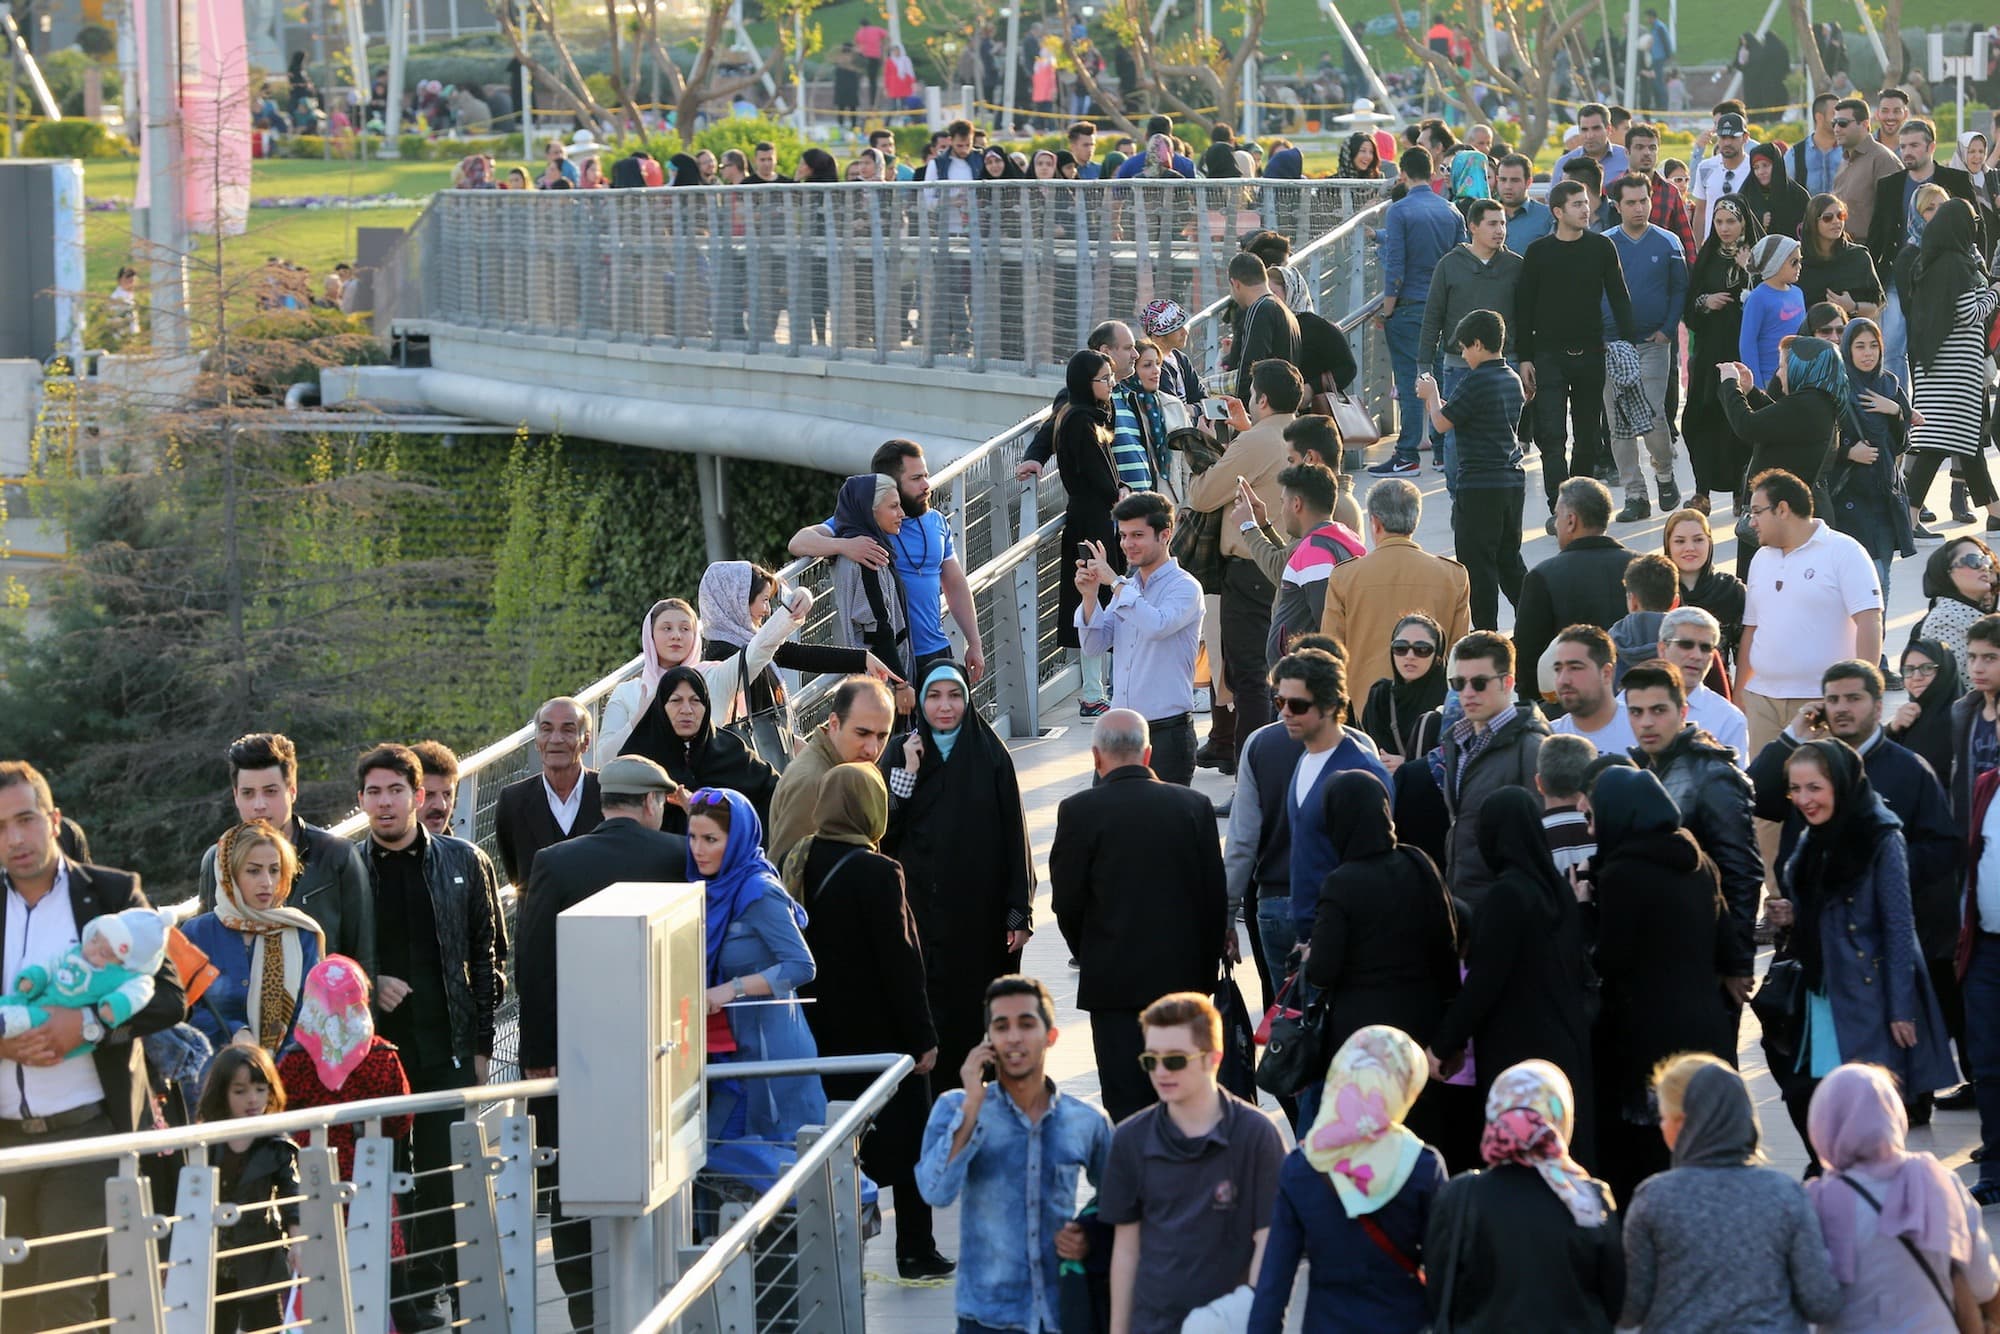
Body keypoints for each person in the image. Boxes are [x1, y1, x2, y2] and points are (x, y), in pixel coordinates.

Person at [0, 762, 187, 1331]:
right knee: (9, 1308)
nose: (15, 838)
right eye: (1, 825)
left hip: (87, 1136)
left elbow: (169, 997)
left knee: (64, 1305)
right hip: (4, 1141)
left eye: (26, 819)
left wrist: (87, 1025)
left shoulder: (109, 891)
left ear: (53, 820)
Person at [516, 754, 686, 1330]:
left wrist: (538, 1057)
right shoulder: (677, 857)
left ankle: (587, 1309)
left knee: (572, 1189)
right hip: (662, 1054)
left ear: (603, 801)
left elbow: (533, 969)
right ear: (652, 803)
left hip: (576, 1060)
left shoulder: (554, 862)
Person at [353, 743, 500, 1330]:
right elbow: (329, 960)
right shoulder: (348, 869)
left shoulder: (464, 860)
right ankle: (403, 1294)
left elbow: (487, 957)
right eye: (373, 792)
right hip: (376, 1052)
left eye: (395, 791)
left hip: (449, 1044)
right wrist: (369, 984)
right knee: (385, 1171)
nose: (384, 803)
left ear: (419, 797)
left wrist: (484, 1045)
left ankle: (449, 1286)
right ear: (359, 801)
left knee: (448, 1170)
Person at [789, 764, 949, 1279]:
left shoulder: (800, 858)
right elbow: (903, 962)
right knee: (908, 1142)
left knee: (835, 1143)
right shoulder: (878, 870)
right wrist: (923, 1037)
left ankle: (832, 1256)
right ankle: (915, 1250)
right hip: (880, 1034)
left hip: (820, 1032)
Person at [1767, 739, 1958, 1167]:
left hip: (1866, 997)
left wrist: (1901, 1009)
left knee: (1862, 1116)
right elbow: (1819, 902)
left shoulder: (1880, 836)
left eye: (1813, 787)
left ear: (1840, 783)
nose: (1803, 800)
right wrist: (1793, 913)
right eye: (1795, 790)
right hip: (1819, 993)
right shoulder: (1813, 835)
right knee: (1814, 1101)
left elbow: (1898, 925)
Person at [1051, 712, 1227, 1123]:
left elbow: (1067, 902)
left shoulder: (1078, 811)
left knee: (1126, 1102)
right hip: (1182, 982)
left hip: (1112, 983)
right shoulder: (1193, 806)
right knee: (1183, 1099)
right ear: (1148, 753)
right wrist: (1204, 975)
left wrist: (1090, 951)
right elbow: (1213, 898)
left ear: (1097, 757)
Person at [916, 976, 1112, 1334]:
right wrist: (972, 1105)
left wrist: (1090, 1233)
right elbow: (935, 1191)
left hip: (1061, 1312)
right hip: (986, 1318)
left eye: (1027, 1023)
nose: (1014, 1037)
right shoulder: (955, 1108)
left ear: (1050, 1036)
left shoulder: (1085, 1121)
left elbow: (1119, 1196)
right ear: (989, 1040)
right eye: (1001, 1026)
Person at [882, 661, 1034, 1096]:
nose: (944, 707)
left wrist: (1018, 912)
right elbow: (884, 832)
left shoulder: (990, 754)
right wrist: (906, 774)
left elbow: (1014, 837)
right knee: (926, 1006)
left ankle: (979, 1094)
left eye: (954, 696)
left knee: (975, 1005)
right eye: (934, 696)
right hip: (918, 914)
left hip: (978, 913)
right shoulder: (901, 752)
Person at [1586, 770, 1734, 1200]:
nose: (1593, 828)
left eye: (1596, 817)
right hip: (1707, 1024)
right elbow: (1726, 943)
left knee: (1656, 1155)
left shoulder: (1622, 875)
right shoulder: (1699, 862)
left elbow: (1612, 960)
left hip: (1647, 1037)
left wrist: (1584, 911)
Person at [1100, 991, 1284, 1334]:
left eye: (1174, 1060)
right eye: (1150, 1060)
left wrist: (1253, 1318)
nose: (1160, 1072)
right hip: (1152, 1324)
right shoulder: (1129, 1139)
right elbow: (1125, 1250)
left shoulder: (1256, 1136)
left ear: (1213, 1058)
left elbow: (1269, 1242)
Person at [1618, 1054, 1843, 1331]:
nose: (1661, 1126)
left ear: (1683, 1123)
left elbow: (1630, 1310)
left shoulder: (1653, 1199)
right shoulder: (1784, 1194)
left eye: (1664, 1117)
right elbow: (1821, 1302)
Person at [1248, 1026, 1447, 1334]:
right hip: (1406, 1321)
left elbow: (1275, 1278)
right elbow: (1445, 1273)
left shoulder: (1302, 1168)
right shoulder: (1421, 1166)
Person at [1422, 1060, 1622, 1330]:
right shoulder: (1589, 1198)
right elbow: (1615, 1300)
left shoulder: (1461, 1195)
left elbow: (1439, 1290)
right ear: (1561, 1115)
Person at [1805, 1062, 2000, 1328]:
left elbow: (1812, 1302)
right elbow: (1983, 1282)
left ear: (1821, 1124)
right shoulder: (1937, 1180)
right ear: (1893, 1114)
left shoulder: (1816, 1202)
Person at [1622, 662, 1762, 1008]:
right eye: (1636, 712)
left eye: (1658, 710)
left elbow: (1742, 871)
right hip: (1657, 953)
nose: (1646, 722)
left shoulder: (1713, 775)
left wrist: (1738, 963)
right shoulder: (1640, 770)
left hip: (1706, 959)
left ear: (1682, 710)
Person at [790, 440, 987, 681]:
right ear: (890, 484)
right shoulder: (869, 523)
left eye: (926, 475)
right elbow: (798, 542)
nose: (927, 485)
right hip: (891, 659)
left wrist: (974, 643)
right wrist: (845, 545)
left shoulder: (937, 521)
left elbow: (955, 584)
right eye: (916, 479)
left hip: (936, 651)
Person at [693, 787, 826, 1144]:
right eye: (692, 837)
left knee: (774, 1166)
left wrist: (731, 989)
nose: (698, 850)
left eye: (710, 839)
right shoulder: (707, 885)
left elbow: (801, 965)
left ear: (735, 840)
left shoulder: (758, 890)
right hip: (733, 1050)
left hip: (770, 1053)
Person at [1739, 465, 1885, 780]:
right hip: (1762, 702)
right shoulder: (1760, 559)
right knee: (1764, 805)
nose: (1751, 522)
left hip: (1822, 704)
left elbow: (1870, 623)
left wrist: (1860, 693)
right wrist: (1741, 695)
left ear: (1782, 509)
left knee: (1826, 796)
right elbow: (1751, 630)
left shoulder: (1845, 552)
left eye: (1756, 511)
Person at [194, 731, 371, 975]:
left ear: (292, 791)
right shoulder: (217, 859)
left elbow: (364, 957)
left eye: (270, 791)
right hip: (236, 1006)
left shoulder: (335, 854)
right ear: (235, 795)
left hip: (321, 1004)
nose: (259, 805)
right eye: (248, 793)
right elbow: (206, 953)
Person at [1190, 364, 1300, 752]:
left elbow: (1202, 495)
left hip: (1250, 567)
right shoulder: (1299, 433)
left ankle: (1250, 768)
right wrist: (1246, 431)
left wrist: (1200, 449)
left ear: (1263, 399)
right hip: (1288, 563)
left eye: (1254, 393)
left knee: (1249, 676)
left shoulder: (1255, 443)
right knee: (1275, 667)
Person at [1268, 651, 1392, 971]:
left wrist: (1326, 941)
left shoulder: (1362, 773)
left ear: (1330, 705)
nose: (1285, 714)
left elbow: (1372, 875)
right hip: (1310, 937)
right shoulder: (1306, 759)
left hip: (1347, 946)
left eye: (1297, 705)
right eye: (1280, 702)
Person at [1075, 492, 1204, 786]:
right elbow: (1094, 645)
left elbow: (1157, 625)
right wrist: (1090, 597)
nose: (1127, 544)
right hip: (1119, 733)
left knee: (1163, 829)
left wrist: (1116, 583)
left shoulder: (1185, 588)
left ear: (1165, 534)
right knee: (1108, 826)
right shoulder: (1128, 588)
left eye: (1137, 535)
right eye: (1123, 535)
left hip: (1167, 734)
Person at [180, 819, 325, 1059]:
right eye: (253, 870)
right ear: (229, 875)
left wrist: (272, 1070)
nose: (267, 882)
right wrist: (235, 1032)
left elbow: (308, 1014)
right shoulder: (196, 934)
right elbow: (185, 1011)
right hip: (212, 1079)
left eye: (274, 870)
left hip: (285, 1078)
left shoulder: (301, 933)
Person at [1418, 311, 1527, 626]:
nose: (1463, 355)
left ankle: (1486, 637)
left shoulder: (1476, 380)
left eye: (1465, 348)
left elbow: (1440, 423)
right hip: (1510, 482)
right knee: (1508, 560)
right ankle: (1534, 618)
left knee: (1477, 569)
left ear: (1478, 344)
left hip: (1479, 486)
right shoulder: (1511, 378)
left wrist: (1432, 394)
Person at [698, 560, 882, 742]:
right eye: (764, 600)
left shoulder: (742, 641)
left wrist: (863, 658)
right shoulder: (727, 655)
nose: (768, 610)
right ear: (736, 601)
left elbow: (800, 655)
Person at [1320, 478, 1470, 697]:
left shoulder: (1345, 576)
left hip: (1363, 708)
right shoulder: (1452, 575)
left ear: (1375, 522)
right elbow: (1457, 655)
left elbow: (1331, 651)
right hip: (1430, 708)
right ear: (1415, 520)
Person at [1903, 200, 2000, 533]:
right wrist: (1995, 292)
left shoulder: (1929, 264)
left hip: (1938, 369)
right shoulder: (1956, 265)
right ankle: (1910, 516)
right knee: (1938, 445)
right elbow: (1969, 312)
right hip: (1956, 373)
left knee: (1965, 443)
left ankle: (1996, 512)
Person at [1371, 147, 1469, 476]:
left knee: (1413, 378)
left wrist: (1387, 308)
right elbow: (1461, 258)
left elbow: (1396, 264)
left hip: (1410, 305)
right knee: (1440, 376)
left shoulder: (1399, 211)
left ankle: (1407, 453)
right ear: (1431, 173)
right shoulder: (1451, 210)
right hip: (1446, 307)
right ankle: (1442, 451)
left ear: (1403, 173)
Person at [1439, 633, 1551, 912]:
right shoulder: (1457, 741)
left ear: (1507, 682)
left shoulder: (1532, 747)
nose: (1467, 693)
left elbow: (1542, 842)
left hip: (1509, 909)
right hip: (1461, 903)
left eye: (1479, 683)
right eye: (1458, 683)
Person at [195, 1045, 303, 1334]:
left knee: (266, 1324)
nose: (252, 1099)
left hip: (259, 1250)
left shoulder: (275, 1142)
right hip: (215, 1257)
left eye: (259, 1088)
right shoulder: (206, 1140)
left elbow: (291, 1192)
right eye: (240, 1091)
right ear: (223, 1094)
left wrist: (296, 1239)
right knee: (216, 1325)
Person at [1417, 202, 1523, 494]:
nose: (1499, 230)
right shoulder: (1450, 265)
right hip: (1458, 366)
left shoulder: (1515, 266)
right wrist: (1424, 368)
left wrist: (1526, 361)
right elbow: (1432, 317)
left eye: (1502, 223)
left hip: (1505, 364)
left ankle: (1500, 491)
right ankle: (1457, 495)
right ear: (1472, 227)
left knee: (1504, 435)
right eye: (1492, 224)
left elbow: (1525, 318)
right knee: (1454, 436)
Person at [1514, 477, 1640, 700]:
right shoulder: (1641, 569)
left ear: (1571, 520)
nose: (1556, 525)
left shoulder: (1542, 577)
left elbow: (1528, 663)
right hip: (1637, 703)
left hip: (1569, 709)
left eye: (1557, 516)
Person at [1231, 462, 1365, 667]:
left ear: (1296, 504)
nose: (1282, 510)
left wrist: (1248, 526)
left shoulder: (1315, 553)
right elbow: (1288, 567)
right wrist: (1263, 526)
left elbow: (1327, 624)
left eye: (1282, 502)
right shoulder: (1333, 539)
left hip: (1304, 679)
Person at [1683, 196, 1767, 511]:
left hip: (1743, 352)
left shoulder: (1756, 256)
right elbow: (1688, 305)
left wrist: (1749, 272)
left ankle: (1739, 490)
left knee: (1738, 419)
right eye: (1719, 222)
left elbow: (1765, 298)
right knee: (1700, 418)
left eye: (1731, 221)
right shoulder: (1707, 257)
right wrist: (1705, 302)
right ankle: (1702, 490)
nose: (1724, 228)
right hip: (1709, 354)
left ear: (1744, 221)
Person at [620, 665, 778, 831]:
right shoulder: (638, 757)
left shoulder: (730, 750)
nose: (687, 710)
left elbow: (776, 791)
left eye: (695, 701)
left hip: (724, 855)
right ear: (661, 706)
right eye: (676, 700)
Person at [1055, 349, 1123, 715]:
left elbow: (1107, 473)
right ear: (1085, 382)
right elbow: (1098, 477)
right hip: (1090, 521)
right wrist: (1120, 494)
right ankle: (1093, 693)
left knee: (1103, 597)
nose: (1111, 384)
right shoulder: (1079, 420)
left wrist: (1120, 489)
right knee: (1093, 599)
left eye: (1111, 377)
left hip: (1098, 517)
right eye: (1104, 378)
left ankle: (1100, 690)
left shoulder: (1089, 415)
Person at [766, 676, 896, 866]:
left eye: (882, 736)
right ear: (834, 723)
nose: (873, 749)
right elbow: (786, 875)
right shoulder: (813, 783)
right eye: (862, 733)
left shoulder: (846, 769)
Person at [1829, 317, 1915, 603]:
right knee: (1855, 580)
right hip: (1850, 495)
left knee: (1882, 578)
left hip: (1884, 494)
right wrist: (1848, 452)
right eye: (1860, 346)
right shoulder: (1837, 388)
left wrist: (1895, 412)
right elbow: (1820, 440)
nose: (1868, 353)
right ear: (1848, 350)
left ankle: (1874, 646)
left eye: (1874, 346)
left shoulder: (1889, 383)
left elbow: (1902, 444)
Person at [494, 696, 602, 888]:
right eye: (546, 729)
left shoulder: (609, 793)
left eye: (568, 730)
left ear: (586, 741)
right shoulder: (513, 800)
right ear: (537, 741)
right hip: (538, 917)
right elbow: (516, 877)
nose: (556, 739)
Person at [828, 474, 914, 685]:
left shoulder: (853, 545)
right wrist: (901, 685)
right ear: (870, 510)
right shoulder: (867, 554)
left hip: (873, 676)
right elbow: (877, 631)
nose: (902, 514)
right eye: (893, 506)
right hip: (880, 682)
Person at [599, 597, 701, 758]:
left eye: (685, 628)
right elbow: (605, 758)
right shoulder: (627, 692)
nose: (676, 636)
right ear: (650, 635)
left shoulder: (708, 682)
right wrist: (641, 717)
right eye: (666, 628)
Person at [1358, 612, 1448, 769]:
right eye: (1400, 648)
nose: (1410, 656)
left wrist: (1409, 764)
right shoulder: (1380, 696)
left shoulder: (1452, 699)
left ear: (1438, 655)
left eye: (1422, 649)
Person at [1655, 606, 1749, 752]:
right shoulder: (1627, 706)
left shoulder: (1730, 720)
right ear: (1662, 649)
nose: (1697, 656)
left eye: (1705, 648)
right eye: (1686, 645)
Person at [1664, 507, 1745, 668]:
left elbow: (1747, 658)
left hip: (1718, 689)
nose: (1690, 548)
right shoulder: (1657, 591)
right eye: (1680, 541)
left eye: (1698, 540)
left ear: (1709, 542)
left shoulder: (1730, 590)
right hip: (1667, 690)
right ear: (1668, 546)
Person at [1225, 254, 1302, 407]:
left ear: (1235, 283)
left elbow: (1252, 365)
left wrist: (1241, 409)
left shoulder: (1260, 309)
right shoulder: (1285, 311)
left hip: (1264, 409)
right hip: (1282, 407)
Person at [1549, 625, 1639, 752]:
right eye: (1558, 669)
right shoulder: (1548, 738)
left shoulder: (1642, 730)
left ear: (1606, 673)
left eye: (1575, 668)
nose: (1563, 680)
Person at [1917, 537, 1997, 675]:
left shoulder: (1973, 614)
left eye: (1986, 561)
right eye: (1973, 560)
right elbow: (1944, 686)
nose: (1984, 567)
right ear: (1946, 571)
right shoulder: (1946, 621)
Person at [1830, 97, 1903, 242]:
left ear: (1864, 124)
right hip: (1842, 249)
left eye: (1843, 123)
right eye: (1834, 123)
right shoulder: (1845, 160)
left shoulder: (1883, 159)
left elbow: (1894, 216)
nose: (1837, 129)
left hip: (1869, 251)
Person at [1888, 638, 1959, 784]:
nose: (1916, 677)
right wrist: (1892, 729)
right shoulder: (1908, 716)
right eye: (1909, 670)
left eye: (1927, 668)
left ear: (1945, 671)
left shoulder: (1962, 718)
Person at [1737, 235, 1808, 384]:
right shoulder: (1758, 297)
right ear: (1775, 263)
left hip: (1798, 377)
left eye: (1800, 261)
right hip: (1770, 378)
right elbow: (1747, 344)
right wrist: (1756, 384)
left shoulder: (1798, 293)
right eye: (1794, 262)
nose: (1799, 266)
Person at [1800, 194, 1884, 317]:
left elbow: (1876, 307)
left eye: (1841, 216)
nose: (1836, 221)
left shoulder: (1858, 257)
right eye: (1828, 217)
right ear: (1813, 222)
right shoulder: (1799, 261)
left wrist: (1852, 307)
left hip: (1851, 331)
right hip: (1809, 333)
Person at [1495, 153, 1554, 253]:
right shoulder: (1484, 214)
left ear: (1528, 182)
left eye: (1515, 180)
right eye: (1503, 180)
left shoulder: (1547, 217)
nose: (1507, 186)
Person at [411, 739, 460, 837]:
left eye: (447, 794)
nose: (441, 806)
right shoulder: (372, 851)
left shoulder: (464, 852)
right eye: (428, 795)